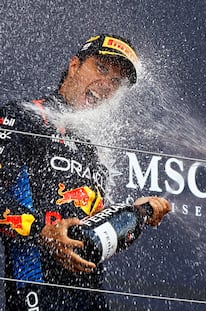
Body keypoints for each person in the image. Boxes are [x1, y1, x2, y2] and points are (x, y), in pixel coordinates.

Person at [0, 34, 171, 310]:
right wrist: (42, 232)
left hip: (91, 301)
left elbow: (93, 236)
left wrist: (136, 213)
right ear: (74, 66)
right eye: (101, 68)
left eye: (116, 82)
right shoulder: (23, 117)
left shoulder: (94, 148)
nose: (106, 85)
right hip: (35, 295)